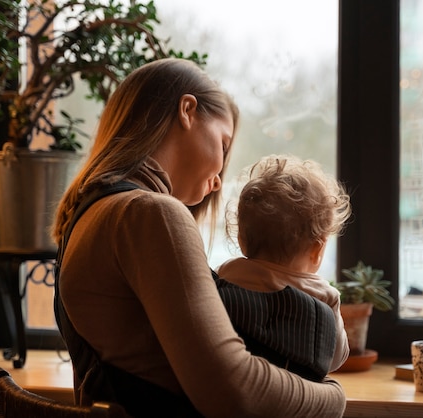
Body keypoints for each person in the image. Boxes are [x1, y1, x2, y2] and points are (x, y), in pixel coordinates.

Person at [52, 58, 346, 417]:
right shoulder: (149, 213)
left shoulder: (89, 213)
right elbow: (234, 390)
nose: (220, 178)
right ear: (188, 110)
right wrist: (333, 398)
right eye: (223, 144)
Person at [216, 154, 352, 381]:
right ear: (317, 250)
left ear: (241, 239)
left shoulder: (227, 274)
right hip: (294, 399)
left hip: (236, 387)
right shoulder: (324, 296)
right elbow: (334, 359)